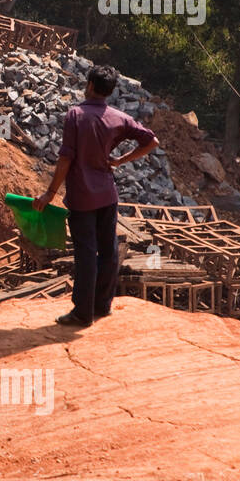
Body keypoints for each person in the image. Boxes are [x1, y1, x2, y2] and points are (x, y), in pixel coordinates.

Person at [33, 64, 161, 326]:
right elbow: (152, 141)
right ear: (110, 91)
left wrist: (50, 192)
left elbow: (66, 157)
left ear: (90, 85)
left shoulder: (76, 115)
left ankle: (82, 313)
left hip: (82, 196)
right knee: (108, 250)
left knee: (86, 253)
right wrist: (121, 160)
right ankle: (103, 306)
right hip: (107, 194)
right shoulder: (118, 118)